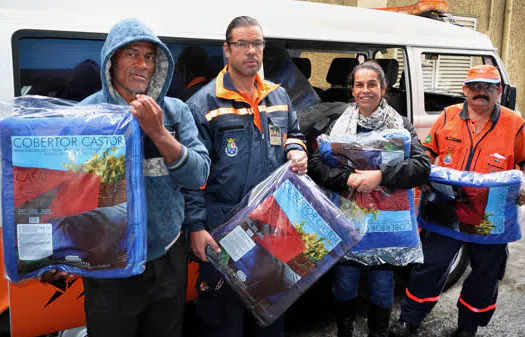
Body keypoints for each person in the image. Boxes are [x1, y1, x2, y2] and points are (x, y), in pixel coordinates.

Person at [39, 18, 210, 337]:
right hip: (107, 265)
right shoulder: (85, 116)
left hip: (166, 256)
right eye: (131, 54)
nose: (142, 64)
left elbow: (198, 174)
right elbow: (59, 191)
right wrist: (51, 253)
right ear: (111, 59)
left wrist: (158, 132)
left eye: (149, 57)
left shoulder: (175, 112)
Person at [184, 15, 308, 337]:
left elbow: (294, 132)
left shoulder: (278, 97)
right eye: (243, 44)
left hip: (273, 226)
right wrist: (196, 226)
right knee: (224, 321)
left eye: (257, 44)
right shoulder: (204, 104)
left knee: (270, 315)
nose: (252, 50)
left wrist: (297, 150)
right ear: (227, 50)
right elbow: (192, 175)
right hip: (224, 227)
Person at [389, 64, 525, 337]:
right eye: (475, 86)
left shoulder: (515, 124)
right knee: (429, 268)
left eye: (489, 87)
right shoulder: (448, 115)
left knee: (485, 276)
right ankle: (409, 320)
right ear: (464, 90)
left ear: (499, 91)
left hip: (491, 217)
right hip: (445, 211)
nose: (481, 92)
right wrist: (422, 172)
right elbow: (427, 151)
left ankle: (468, 326)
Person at [308, 60, 431, 337]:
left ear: (384, 89)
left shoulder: (401, 125)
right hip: (348, 221)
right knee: (344, 283)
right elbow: (317, 164)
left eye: (372, 84)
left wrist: (381, 176)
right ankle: (345, 331)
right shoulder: (338, 124)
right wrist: (346, 179)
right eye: (359, 85)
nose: (365, 90)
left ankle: (378, 333)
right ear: (352, 90)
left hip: (387, 226)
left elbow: (422, 167)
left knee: (381, 286)